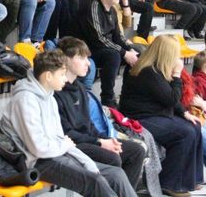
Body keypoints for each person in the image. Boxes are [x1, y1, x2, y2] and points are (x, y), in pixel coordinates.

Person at [0, 50, 137, 197]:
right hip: (37, 161)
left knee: (115, 174)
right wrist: (64, 145)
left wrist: (87, 162)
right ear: (48, 76)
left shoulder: (49, 97)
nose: (66, 79)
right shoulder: (25, 100)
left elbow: (63, 141)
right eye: (62, 74)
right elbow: (39, 148)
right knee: (95, 181)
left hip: (56, 153)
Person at [54, 37, 146, 190]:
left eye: (87, 58)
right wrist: (100, 142)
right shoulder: (56, 92)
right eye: (82, 58)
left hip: (88, 140)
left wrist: (106, 139)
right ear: (66, 60)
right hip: (72, 145)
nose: (88, 63)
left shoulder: (80, 88)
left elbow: (89, 124)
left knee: (136, 151)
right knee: (113, 158)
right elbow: (66, 133)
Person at [119, 35, 206, 196]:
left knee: (194, 126)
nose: (178, 58)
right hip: (139, 118)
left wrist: (184, 113)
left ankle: (192, 179)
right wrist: (177, 75)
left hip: (154, 114)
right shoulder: (147, 71)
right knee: (185, 133)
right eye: (175, 54)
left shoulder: (154, 68)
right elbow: (171, 98)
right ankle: (170, 183)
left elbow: (168, 98)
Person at [80, 0, 139, 107]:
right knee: (114, 55)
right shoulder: (93, 6)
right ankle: (108, 99)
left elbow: (118, 37)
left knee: (137, 53)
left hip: (106, 48)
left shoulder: (112, 10)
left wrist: (129, 50)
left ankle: (128, 96)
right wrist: (124, 53)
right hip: (90, 50)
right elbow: (99, 38)